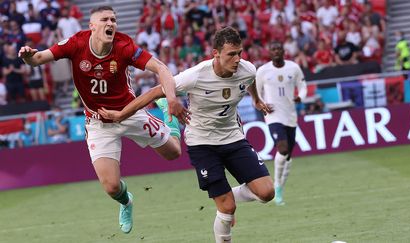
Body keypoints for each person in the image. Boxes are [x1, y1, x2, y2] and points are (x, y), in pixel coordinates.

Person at [18, 5, 189, 234]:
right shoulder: (76, 43)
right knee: (111, 187)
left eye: (113, 20)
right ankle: (127, 202)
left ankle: (170, 122)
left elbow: (160, 67)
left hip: (130, 113)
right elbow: (38, 58)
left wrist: (170, 99)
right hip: (99, 123)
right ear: (92, 26)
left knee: (174, 153)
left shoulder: (124, 45)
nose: (111, 24)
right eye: (105, 20)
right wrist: (29, 57)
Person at [98, 26, 275, 243]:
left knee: (267, 193)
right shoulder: (195, 76)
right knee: (227, 208)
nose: (237, 59)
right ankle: (224, 203)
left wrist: (256, 99)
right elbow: (156, 90)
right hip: (203, 144)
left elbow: (250, 80)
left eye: (239, 52)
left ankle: (225, 196)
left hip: (234, 138)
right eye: (231, 54)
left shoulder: (247, 69)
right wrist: (122, 114)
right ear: (216, 54)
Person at [255, 41, 307, 206]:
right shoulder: (263, 71)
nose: (276, 51)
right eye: (273, 49)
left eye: (278, 48)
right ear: (269, 53)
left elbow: (303, 86)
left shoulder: (293, 68)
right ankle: (276, 186)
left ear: (284, 51)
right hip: (273, 116)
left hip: (290, 115)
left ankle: (280, 188)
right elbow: (255, 93)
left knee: (288, 156)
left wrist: (301, 97)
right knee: (282, 149)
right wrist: (262, 104)